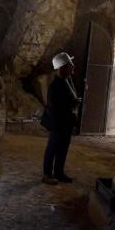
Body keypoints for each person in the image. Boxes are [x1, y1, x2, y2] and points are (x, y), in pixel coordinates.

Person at [40, 51, 80, 184]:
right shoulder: (56, 86)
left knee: (62, 148)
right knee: (52, 148)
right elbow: (58, 106)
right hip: (58, 123)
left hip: (65, 123)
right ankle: (47, 175)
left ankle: (58, 172)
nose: (72, 66)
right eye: (70, 65)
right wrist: (73, 103)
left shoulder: (66, 81)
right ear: (62, 68)